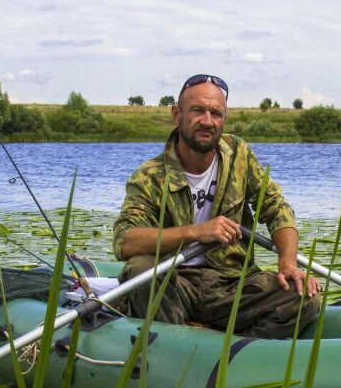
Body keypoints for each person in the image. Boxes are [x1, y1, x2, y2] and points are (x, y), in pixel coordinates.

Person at [112, 74, 321, 338]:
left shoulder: (240, 155)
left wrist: (287, 264)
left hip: (233, 283)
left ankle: (238, 358)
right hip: (176, 281)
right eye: (198, 111)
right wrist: (196, 232)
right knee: (140, 269)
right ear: (177, 114)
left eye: (216, 113)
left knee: (304, 297)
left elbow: (277, 209)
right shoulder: (149, 175)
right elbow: (125, 241)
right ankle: (172, 352)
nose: (208, 121)